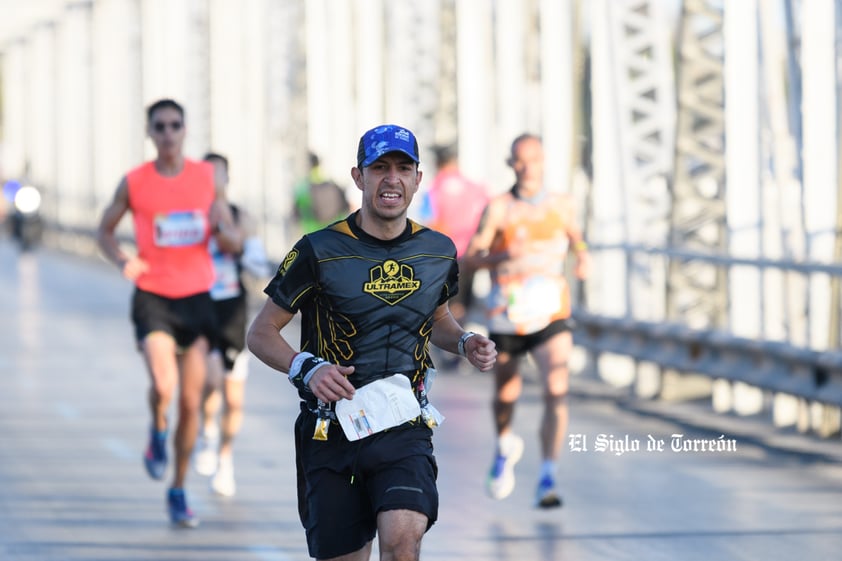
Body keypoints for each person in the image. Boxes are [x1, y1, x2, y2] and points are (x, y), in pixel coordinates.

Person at [247, 124, 498, 561]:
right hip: (331, 429)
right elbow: (261, 333)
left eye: (403, 168)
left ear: (418, 179)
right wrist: (307, 368)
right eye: (379, 167)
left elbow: (437, 318)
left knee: (403, 540)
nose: (391, 179)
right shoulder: (318, 249)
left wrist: (464, 342)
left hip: (403, 425)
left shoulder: (438, 252)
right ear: (358, 176)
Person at [96, 99, 241, 528]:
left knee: (192, 402)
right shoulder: (135, 182)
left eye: (175, 125)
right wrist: (123, 260)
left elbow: (230, 238)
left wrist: (223, 230)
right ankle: (157, 426)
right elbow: (104, 230)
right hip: (154, 297)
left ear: (185, 130)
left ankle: (177, 488)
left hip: (198, 299)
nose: (168, 133)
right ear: (150, 133)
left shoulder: (206, 177)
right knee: (164, 384)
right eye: (159, 126)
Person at [463, 133, 590, 509]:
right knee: (506, 394)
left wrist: (583, 256)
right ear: (511, 164)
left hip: (551, 312)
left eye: (533, 159)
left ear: (544, 161)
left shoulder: (562, 205)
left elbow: (576, 237)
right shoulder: (500, 208)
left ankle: (548, 474)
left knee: (556, 389)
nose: (527, 167)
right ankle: (505, 446)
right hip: (508, 314)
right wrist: (500, 258)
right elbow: (472, 256)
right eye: (520, 160)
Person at [192, 152, 270, 497]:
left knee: (233, 396)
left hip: (232, 309)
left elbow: (256, 263)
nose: (212, 181)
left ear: (227, 178)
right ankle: (206, 428)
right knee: (209, 378)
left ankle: (225, 459)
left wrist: (242, 249)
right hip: (198, 308)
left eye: (218, 175)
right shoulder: (191, 215)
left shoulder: (242, 218)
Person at [419, 143, 489, 328]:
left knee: (448, 304)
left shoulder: (434, 188)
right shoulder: (475, 186)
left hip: (446, 255)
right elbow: (488, 218)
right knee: (463, 302)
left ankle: (454, 348)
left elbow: (429, 223)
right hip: (471, 253)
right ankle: (460, 341)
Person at [292, 151, 351, 234]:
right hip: (332, 230)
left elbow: (296, 214)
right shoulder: (331, 183)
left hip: (312, 232)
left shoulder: (303, 188)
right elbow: (345, 207)